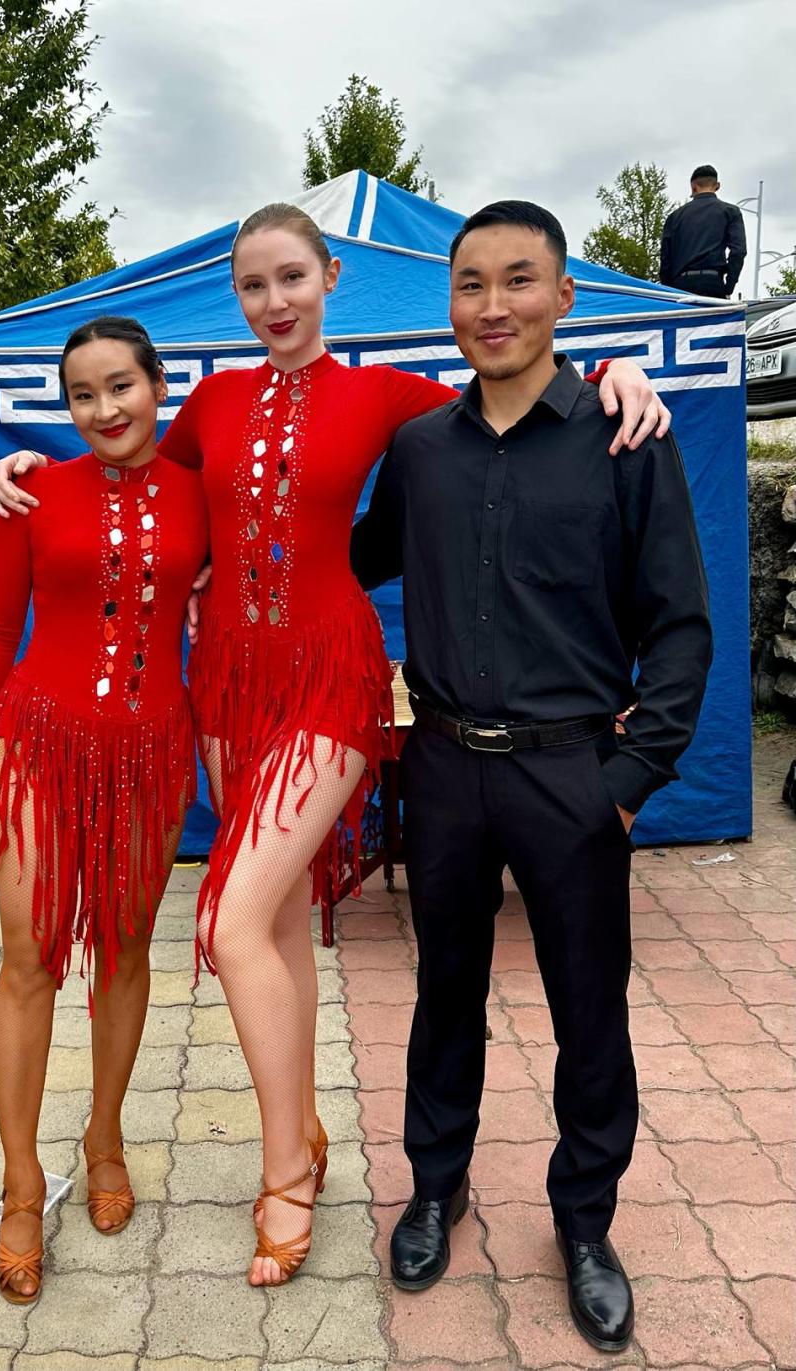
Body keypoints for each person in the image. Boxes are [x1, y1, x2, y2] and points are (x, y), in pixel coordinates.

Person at [0, 203, 670, 1289]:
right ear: (237, 294)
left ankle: (286, 1176)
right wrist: (24, 467)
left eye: (292, 278)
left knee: (228, 915)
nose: (274, 302)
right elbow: (127, 475)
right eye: (254, 286)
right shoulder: (207, 402)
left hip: (329, 679)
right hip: (224, 690)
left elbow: (507, 383)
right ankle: (304, 1126)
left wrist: (615, 375)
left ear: (331, 275)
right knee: (286, 927)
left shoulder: (385, 396)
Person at [351, 201, 712, 1352]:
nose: (492, 305)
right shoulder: (418, 452)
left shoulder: (624, 438)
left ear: (566, 298)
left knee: (589, 1012)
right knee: (443, 996)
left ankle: (586, 1223)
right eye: (470, 284)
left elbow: (682, 625)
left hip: (573, 777)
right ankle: (435, 1187)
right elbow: (329, 548)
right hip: (447, 768)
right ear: (447, 304)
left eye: (518, 281)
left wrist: (629, 775)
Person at [0, 317, 208, 1305]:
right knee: (27, 954)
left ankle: (105, 1133)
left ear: (158, 385)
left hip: (152, 751)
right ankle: (22, 1184)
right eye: (82, 395)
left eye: (121, 388)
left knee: (127, 944)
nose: (104, 410)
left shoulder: (202, 491)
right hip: (37, 741)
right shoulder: (31, 491)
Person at [659, 164, 746, 297]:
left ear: (693, 186)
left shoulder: (675, 217)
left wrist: (668, 290)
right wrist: (729, 285)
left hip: (680, 285)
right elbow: (738, 251)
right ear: (717, 186)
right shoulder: (730, 212)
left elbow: (666, 259)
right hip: (712, 283)